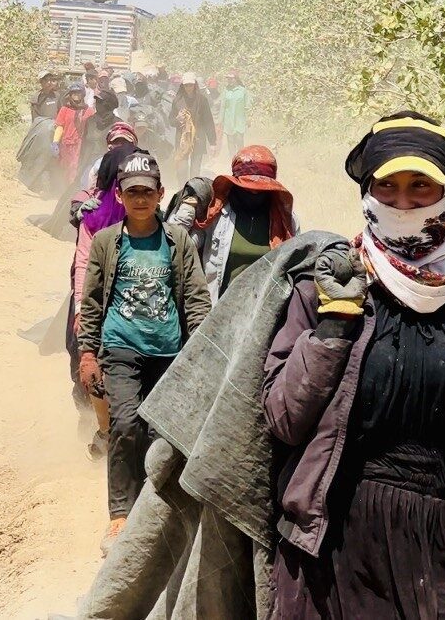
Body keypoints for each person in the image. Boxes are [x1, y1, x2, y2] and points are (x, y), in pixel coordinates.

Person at [263, 111, 445, 620]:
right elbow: (284, 418)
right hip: (336, 543)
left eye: (420, 186)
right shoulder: (329, 286)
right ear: (367, 192)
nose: (403, 203)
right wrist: (333, 328)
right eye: (388, 186)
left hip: (443, 543)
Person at [77, 152, 211, 554]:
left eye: (147, 192)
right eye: (132, 192)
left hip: (168, 352)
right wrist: (88, 353)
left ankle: (155, 514)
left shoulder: (178, 241)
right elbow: (92, 301)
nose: (140, 199)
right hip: (121, 347)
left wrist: (200, 351)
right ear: (119, 195)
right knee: (125, 424)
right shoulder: (107, 242)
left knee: (160, 434)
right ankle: (120, 514)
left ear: (160, 194)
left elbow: (196, 298)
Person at [67, 141, 145, 460]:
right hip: (103, 302)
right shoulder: (94, 217)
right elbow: (84, 264)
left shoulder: (150, 214)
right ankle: (105, 430)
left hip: (139, 304)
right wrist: (82, 309)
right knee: (98, 366)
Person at [167, 145, 298, 300]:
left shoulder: (286, 222)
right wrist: (189, 206)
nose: (254, 192)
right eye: (248, 187)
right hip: (218, 306)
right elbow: (179, 246)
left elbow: (295, 266)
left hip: (263, 308)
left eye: (260, 189)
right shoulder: (216, 214)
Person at [169, 72, 216, 178]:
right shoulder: (177, 100)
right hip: (182, 139)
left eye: (190, 85)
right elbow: (171, 120)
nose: (188, 88)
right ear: (183, 86)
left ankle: (193, 188)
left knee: (195, 169)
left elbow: (208, 121)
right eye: (186, 85)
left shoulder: (202, 100)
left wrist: (212, 142)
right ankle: (182, 187)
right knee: (182, 169)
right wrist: (178, 119)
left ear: (195, 85)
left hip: (198, 138)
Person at [52, 84, 94, 184]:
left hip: (81, 146)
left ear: (83, 94)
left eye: (79, 93)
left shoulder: (89, 111)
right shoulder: (65, 109)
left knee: (76, 169)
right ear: (70, 95)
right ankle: (62, 188)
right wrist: (55, 142)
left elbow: (92, 129)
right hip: (65, 145)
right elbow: (60, 126)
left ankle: (73, 189)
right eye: (73, 93)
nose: (76, 95)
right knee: (64, 169)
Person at [220, 72, 250, 155]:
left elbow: (247, 106)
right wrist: (220, 120)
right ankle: (232, 159)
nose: (229, 80)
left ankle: (241, 157)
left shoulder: (243, 91)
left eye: (231, 78)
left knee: (239, 139)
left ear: (236, 79)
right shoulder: (226, 91)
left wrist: (248, 118)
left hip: (240, 119)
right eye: (228, 78)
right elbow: (222, 106)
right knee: (230, 140)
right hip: (229, 119)